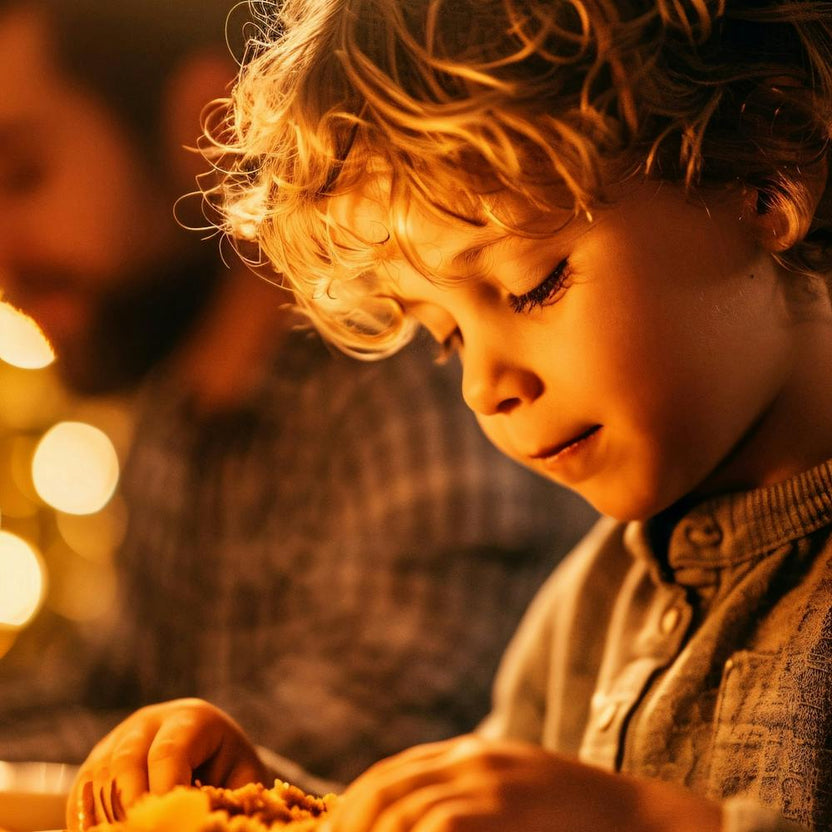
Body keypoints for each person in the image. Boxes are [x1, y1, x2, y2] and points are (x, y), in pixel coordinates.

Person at [65, 0, 832, 830]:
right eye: (447, 337)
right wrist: (286, 807)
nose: (483, 386)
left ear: (766, 171)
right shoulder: (589, 605)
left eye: (532, 286)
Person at [0, 0, 596, 788]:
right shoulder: (179, 416)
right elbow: (121, 685)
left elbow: (368, 736)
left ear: (202, 128)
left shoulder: (413, 378)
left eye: (22, 176)